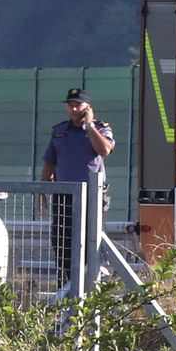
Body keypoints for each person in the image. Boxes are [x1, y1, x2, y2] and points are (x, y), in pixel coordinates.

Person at [41, 88, 114, 286]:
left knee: (91, 244)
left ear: (87, 107)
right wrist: (43, 190)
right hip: (64, 196)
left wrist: (90, 126)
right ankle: (65, 290)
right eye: (70, 104)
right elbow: (50, 162)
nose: (73, 108)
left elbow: (105, 150)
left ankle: (90, 289)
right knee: (62, 244)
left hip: (92, 197)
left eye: (78, 104)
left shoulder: (100, 128)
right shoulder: (59, 131)